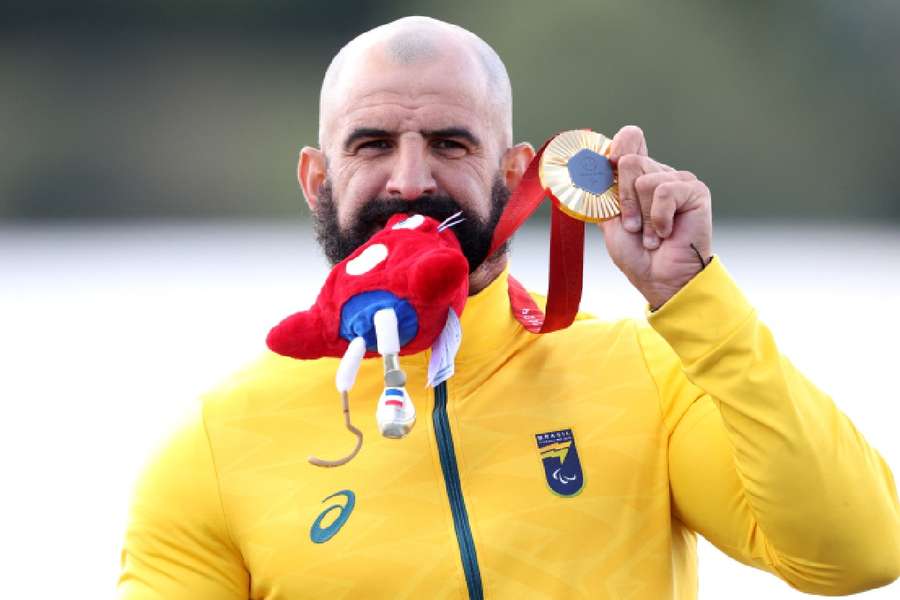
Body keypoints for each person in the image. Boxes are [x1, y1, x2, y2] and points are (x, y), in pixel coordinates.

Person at [117, 16, 900, 600]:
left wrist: (695, 299)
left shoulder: (643, 375)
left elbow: (856, 550)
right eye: (373, 145)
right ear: (316, 180)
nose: (410, 181)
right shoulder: (214, 449)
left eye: (453, 144)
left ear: (516, 172)